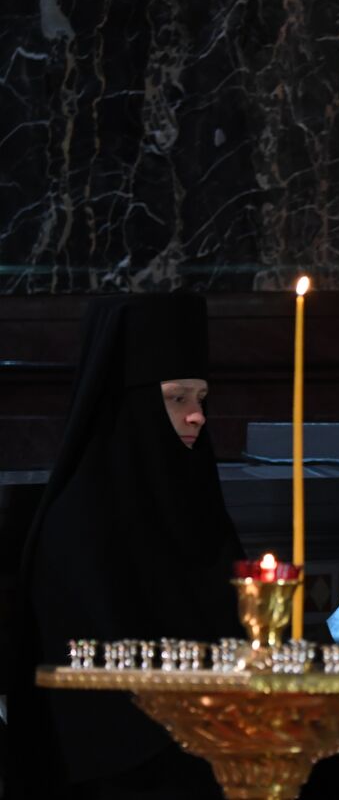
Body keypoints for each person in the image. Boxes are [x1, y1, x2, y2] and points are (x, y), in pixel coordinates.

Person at [5, 293, 243, 799]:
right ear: (132, 403)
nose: (197, 416)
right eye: (177, 398)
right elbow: (99, 701)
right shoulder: (79, 524)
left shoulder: (195, 504)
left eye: (202, 398)